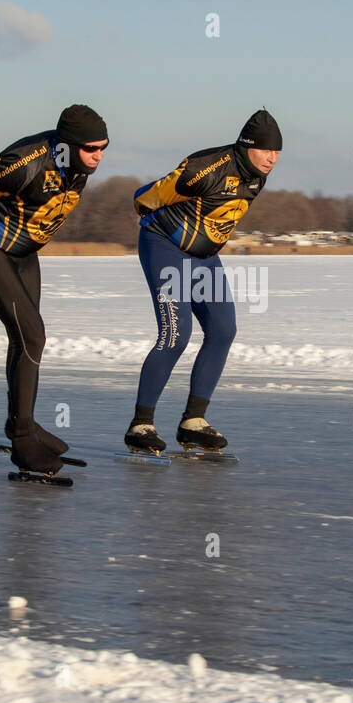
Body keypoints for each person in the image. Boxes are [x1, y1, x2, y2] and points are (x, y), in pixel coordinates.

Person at [0, 104, 108, 475]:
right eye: (91, 148)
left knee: (27, 338)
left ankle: (25, 424)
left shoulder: (76, 164)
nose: (99, 156)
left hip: (24, 251)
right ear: (68, 144)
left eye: (103, 148)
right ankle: (22, 438)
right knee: (32, 334)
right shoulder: (27, 163)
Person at [124, 109, 281, 455]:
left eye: (277, 152)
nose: (272, 158)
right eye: (266, 150)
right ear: (246, 146)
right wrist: (157, 217)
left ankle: (193, 422)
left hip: (204, 257)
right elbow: (145, 197)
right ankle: (141, 424)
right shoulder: (205, 167)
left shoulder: (258, 174)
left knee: (224, 330)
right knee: (176, 335)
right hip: (165, 247)